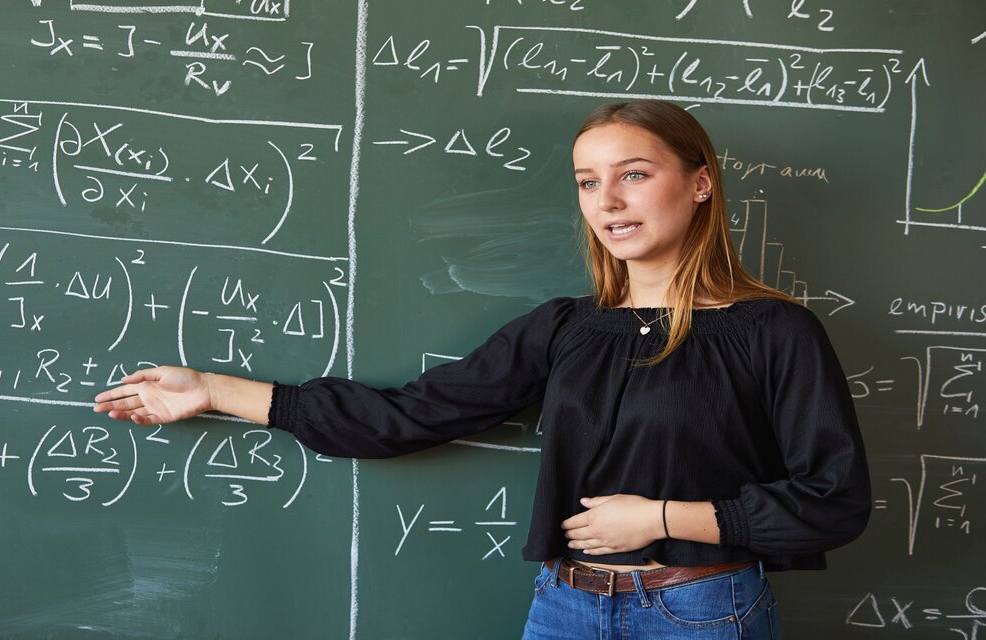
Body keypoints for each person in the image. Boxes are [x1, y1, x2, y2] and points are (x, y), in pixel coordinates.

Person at [93, 100, 871, 639]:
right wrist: (212, 391)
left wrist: (664, 518)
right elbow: (408, 417)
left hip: (703, 611)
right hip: (564, 609)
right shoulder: (564, 329)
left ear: (699, 183)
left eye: (633, 173)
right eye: (587, 182)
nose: (607, 200)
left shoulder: (773, 330)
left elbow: (834, 502)